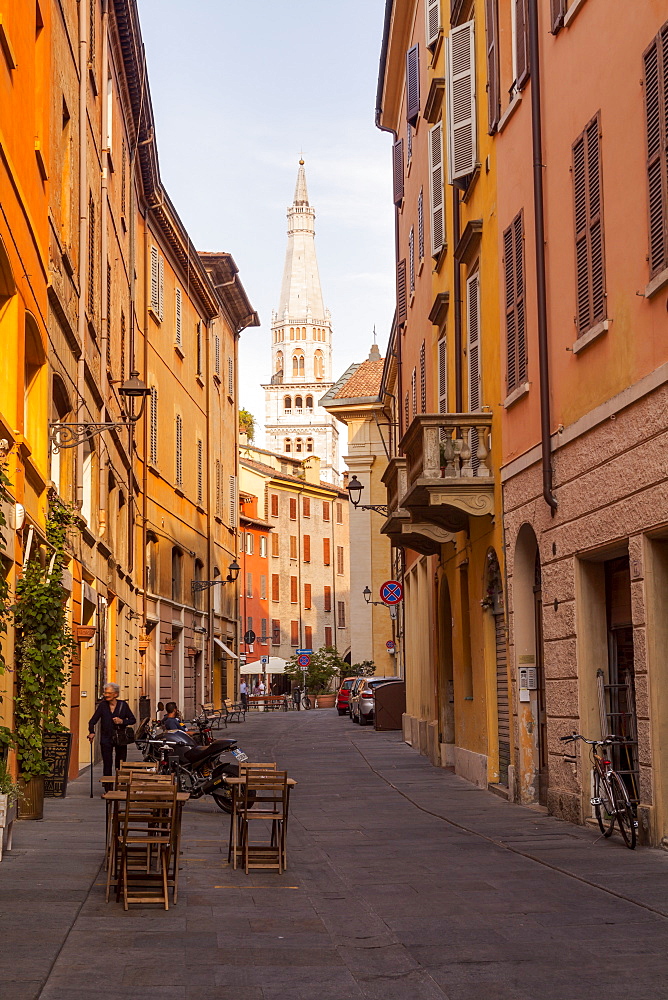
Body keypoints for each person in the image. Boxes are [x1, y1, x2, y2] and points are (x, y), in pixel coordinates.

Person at [88, 683, 136, 786]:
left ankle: (121, 787)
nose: (106, 695)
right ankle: (108, 788)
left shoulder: (123, 705)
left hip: (120, 738)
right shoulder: (102, 706)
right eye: (105, 692)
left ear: (116, 694)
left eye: (109, 693)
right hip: (106, 738)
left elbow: (133, 720)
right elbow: (92, 721)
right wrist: (92, 732)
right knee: (107, 764)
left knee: (120, 764)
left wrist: (122, 721)